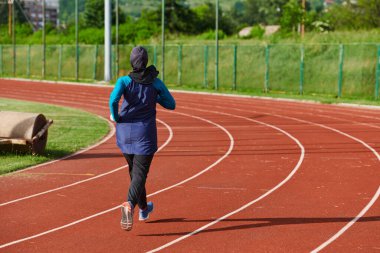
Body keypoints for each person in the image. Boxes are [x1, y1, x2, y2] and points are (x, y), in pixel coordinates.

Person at [109, 46, 176, 231]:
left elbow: (113, 100)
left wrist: (115, 116)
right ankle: (129, 204)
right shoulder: (155, 83)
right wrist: (155, 97)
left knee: (135, 174)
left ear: (131, 62)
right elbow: (171, 104)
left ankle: (144, 209)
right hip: (144, 136)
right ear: (146, 62)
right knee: (139, 174)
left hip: (124, 133)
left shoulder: (124, 81)